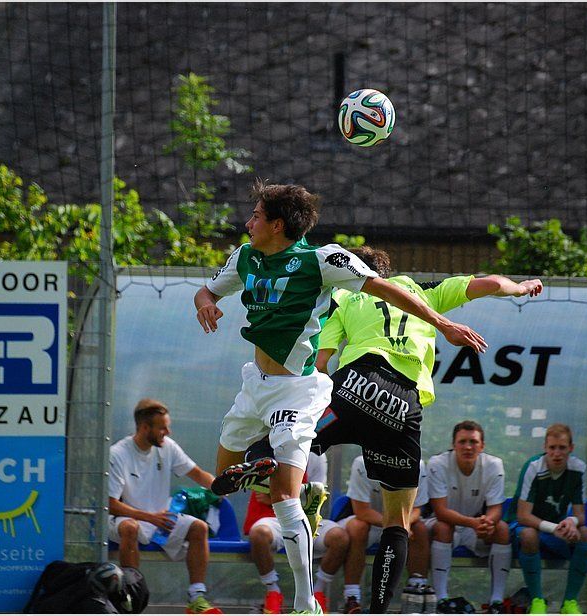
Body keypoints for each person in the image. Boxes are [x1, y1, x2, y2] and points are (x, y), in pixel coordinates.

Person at [195, 183, 487, 614]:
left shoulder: (323, 260)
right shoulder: (245, 257)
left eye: (255, 215)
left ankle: (304, 603)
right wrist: (205, 304)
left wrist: (443, 325)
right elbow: (207, 291)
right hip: (254, 384)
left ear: (277, 225)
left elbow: (385, 288)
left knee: (283, 497)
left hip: (297, 389)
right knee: (222, 477)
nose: (247, 221)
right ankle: (278, 477)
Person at [216, 245, 539, 613]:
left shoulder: (344, 297)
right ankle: (378, 610)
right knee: (397, 523)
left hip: (353, 387)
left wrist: (312, 407)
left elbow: (320, 362)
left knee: (288, 439)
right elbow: (491, 283)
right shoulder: (424, 292)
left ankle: (270, 466)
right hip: (401, 406)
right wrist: (520, 287)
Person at [107, 398, 222, 614]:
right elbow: (110, 504)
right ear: (144, 427)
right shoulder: (117, 454)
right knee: (130, 528)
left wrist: (222, 486)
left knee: (199, 528)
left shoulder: (168, 447)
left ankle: (196, 599)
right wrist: (149, 517)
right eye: (162, 428)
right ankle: (131, 598)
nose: (168, 432)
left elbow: (197, 474)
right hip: (125, 519)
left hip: (159, 519)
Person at [506, 423, 587, 615]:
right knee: (529, 535)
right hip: (522, 528)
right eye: (552, 447)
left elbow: (580, 515)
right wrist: (554, 528)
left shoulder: (578, 469)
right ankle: (537, 601)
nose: (557, 453)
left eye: (562, 447)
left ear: (571, 448)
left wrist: (571, 523)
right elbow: (523, 516)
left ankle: (569, 603)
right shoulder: (533, 467)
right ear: (545, 448)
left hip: (554, 530)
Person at [426, 421, 511, 614]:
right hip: (441, 525)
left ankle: (496, 602)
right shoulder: (437, 464)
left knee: (502, 529)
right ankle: (441, 599)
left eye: (473, 442)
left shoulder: (494, 465)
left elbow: (496, 509)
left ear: (482, 446)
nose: (468, 447)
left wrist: (488, 522)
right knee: (443, 527)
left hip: (474, 527)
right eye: (462, 442)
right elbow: (440, 511)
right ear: (453, 445)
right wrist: (473, 523)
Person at [245, 452, 347, 614]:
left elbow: (317, 494)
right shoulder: (269, 449)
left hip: (306, 517)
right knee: (259, 534)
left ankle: (317, 593)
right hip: (274, 519)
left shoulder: (317, 455)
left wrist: (276, 495)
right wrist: (295, 495)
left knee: (340, 537)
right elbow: (259, 493)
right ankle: (273, 592)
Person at [338, 456, 432, 614]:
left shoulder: (417, 463)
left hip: (401, 526)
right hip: (370, 523)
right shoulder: (362, 462)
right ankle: (351, 597)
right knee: (357, 527)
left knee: (420, 529)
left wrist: (402, 527)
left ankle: (417, 590)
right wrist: (396, 528)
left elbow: (417, 509)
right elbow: (361, 511)